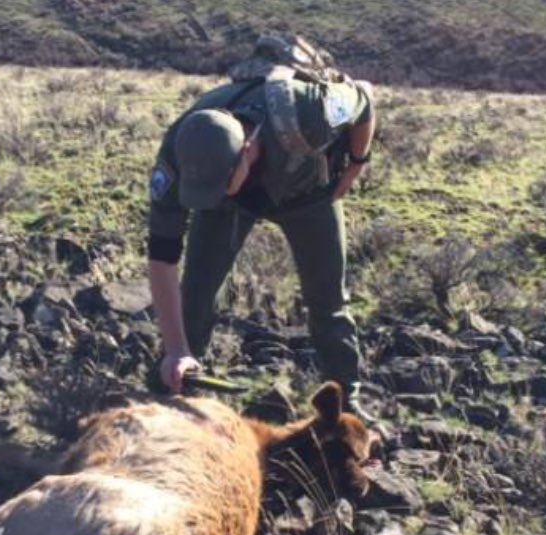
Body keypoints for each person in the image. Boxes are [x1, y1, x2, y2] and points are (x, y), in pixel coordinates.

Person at [147, 65, 376, 417]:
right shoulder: (182, 152)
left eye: (221, 185)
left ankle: (346, 401)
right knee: (196, 291)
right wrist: (176, 349)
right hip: (234, 206)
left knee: (327, 298)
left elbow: (364, 96)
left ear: (248, 150)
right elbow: (162, 256)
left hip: (308, 191)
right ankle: (181, 385)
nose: (213, 195)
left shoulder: (310, 111)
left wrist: (357, 162)